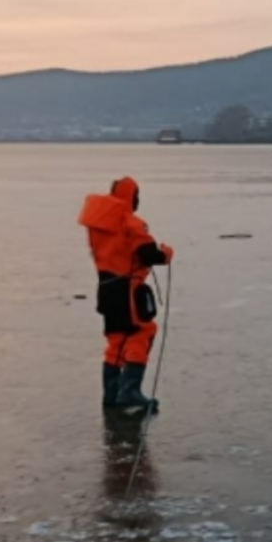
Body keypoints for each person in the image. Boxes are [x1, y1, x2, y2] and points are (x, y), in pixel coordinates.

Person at [78, 176, 173, 414]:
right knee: (142, 332)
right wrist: (166, 254)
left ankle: (111, 394)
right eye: (137, 196)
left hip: (106, 287)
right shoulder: (129, 221)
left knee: (117, 339)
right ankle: (129, 391)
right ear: (131, 196)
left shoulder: (98, 223)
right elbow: (148, 254)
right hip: (128, 288)